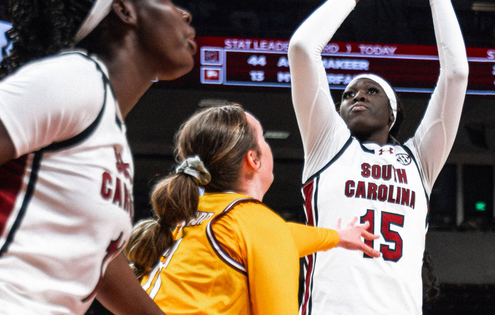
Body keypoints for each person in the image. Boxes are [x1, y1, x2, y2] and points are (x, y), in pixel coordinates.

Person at [288, 0, 469, 315]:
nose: (356, 95)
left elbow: (456, 73)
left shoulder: (419, 160)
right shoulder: (327, 144)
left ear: (392, 113)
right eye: (349, 92)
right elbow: (302, 49)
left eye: (371, 91)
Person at [0, 0, 196, 314]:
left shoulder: (110, 132)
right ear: (124, 11)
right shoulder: (75, 78)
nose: (185, 14)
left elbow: (102, 265)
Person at [123, 104, 380, 314]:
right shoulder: (257, 225)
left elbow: (281, 236)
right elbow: (271, 236)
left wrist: (337, 237)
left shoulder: (187, 215)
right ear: (253, 159)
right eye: (263, 139)